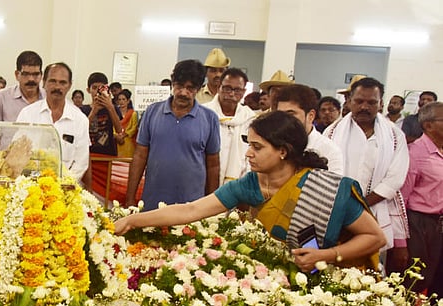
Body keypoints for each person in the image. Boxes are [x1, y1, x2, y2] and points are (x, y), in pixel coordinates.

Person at [115, 111, 386, 273]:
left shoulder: (326, 190)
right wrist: (131, 220)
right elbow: (192, 210)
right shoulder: (249, 184)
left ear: (283, 151)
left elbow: (375, 237)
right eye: (249, 145)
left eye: (257, 147)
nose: (248, 153)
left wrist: (325, 256)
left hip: (328, 276)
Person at [324, 77, 410, 272]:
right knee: (333, 266)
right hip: (335, 211)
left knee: (371, 272)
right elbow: (324, 173)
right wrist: (344, 205)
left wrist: (360, 205)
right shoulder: (332, 133)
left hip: (376, 213)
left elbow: (395, 178)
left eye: (372, 102)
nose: (365, 107)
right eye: (359, 101)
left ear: (381, 104)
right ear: (349, 102)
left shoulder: (395, 136)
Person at [125, 59, 220, 211]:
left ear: (198, 89)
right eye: (179, 86)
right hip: (153, 203)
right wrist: (129, 197)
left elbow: (213, 165)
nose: (183, 92)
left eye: (190, 88)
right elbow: (140, 156)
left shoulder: (210, 119)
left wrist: (210, 205)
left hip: (192, 207)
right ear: (172, 84)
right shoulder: (152, 112)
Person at [16, 62, 90, 182]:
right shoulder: (27, 114)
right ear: (44, 82)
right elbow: (18, 152)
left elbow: (80, 164)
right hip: (30, 185)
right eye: (52, 81)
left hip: (64, 189)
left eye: (62, 82)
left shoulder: (80, 120)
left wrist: (61, 185)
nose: (57, 87)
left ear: (70, 85)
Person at [400, 102, 443, 295]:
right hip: (417, 222)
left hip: (437, 223)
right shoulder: (416, 153)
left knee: (433, 277)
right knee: (415, 279)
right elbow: (402, 198)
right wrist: (401, 241)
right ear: (428, 125)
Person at [273, 84, 344, 174]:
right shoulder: (272, 144)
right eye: (281, 114)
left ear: (311, 116)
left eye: (291, 114)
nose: (284, 120)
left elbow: (333, 186)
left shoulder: (329, 151)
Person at [203, 67, 257, 184]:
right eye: (227, 89)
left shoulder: (250, 118)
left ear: (243, 92)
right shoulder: (204, 113)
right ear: (219, 88)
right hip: (205, 181)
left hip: (239, 184)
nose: (231, 94)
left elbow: (252, 152)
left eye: (237, 90)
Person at [0, 50, 44, 122]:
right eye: (26, 74)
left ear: (41, 75)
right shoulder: (2, 97)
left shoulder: (47, 97)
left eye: (35, 74)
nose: (31, 79)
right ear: (17, 75)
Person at [81, 72, 121, 156]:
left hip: (108, 155)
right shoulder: (83, 110)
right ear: (88, 90)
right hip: (87, 154)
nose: (97, 91)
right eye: (94, 88)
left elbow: (119, 130)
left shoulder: (113, 108)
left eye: (101, 88)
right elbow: (80, 131)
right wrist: (94, 111)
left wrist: (110, 107)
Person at [114, 89, 138, 158]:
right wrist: (117, 136)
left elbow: (134, 128)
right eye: (119, 99)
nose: (121, 101)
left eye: (123, 99)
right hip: (117, 142)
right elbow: (112, 127)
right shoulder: (114, 113)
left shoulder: (133, 114)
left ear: (128, 101)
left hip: (128, 142)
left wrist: (124, 135)